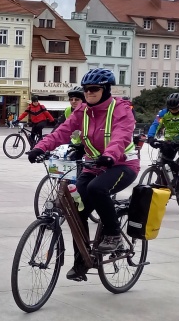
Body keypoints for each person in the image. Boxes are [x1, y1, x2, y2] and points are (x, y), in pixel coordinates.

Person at [27, 68, 138, 281]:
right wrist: (40, 148)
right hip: (93, 165)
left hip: (122, 164)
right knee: (77, 211)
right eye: (86, 90)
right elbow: (63, 131)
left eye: (94, 89)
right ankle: (82, 262)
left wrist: (110, 155)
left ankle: (114, 234)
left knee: (97, 188)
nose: (89, 93)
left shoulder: (121, 109)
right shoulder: (83, 111)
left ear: (106, 89)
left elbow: (121, 135)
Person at [146, 93, 179, 188]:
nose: (173, 111)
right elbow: (155, 124)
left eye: (175, 109)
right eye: (171, 109)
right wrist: (150, 137)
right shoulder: (163, 112)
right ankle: (164, 179)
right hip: (170, 139)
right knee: (165, 160)